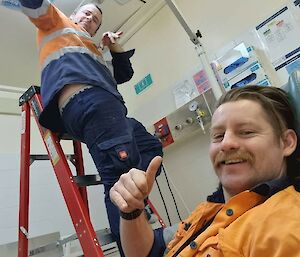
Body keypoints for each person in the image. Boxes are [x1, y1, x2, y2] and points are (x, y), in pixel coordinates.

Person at [17, 1, 163, 256]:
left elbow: (124, 74)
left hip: (110, 109)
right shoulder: (57, 22)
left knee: (151, 147)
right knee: (119, 177)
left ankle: (132, 195)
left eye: (96, 19)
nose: (91, 19)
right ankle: (136, 245)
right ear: (73, 14)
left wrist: (114, 46)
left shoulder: (94, 51)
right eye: (87, 13)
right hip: (89, 102)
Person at [110, 85, 300, 257]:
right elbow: (147, 252)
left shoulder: (284, 225)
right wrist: (132, 210)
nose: (226, 143)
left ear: (286, 143)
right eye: (218, 136)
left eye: (246, 132)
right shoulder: (210, 213)